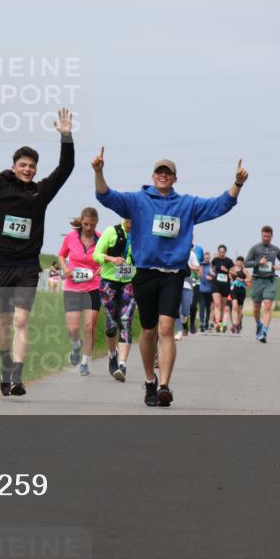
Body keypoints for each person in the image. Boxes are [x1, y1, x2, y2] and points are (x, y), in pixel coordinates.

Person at [94, 148, 247, 407]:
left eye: (168, 173)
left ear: (175, 178)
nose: (163, 176)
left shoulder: (186, 204)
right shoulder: (138, 201)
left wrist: (238, 184)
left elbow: (220, 205)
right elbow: (105, 196)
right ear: (153, 176)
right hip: (144, 273)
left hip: (173, 275)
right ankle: (149, 380)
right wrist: (98, 171)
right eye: (159, 172)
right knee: (148, 330)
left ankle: (164, 385)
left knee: (166, 328)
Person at [0, 97, 74, 396]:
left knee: (20, 319)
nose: (28, 170)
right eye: (23, 165)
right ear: (14, 167)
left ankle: (17, 377)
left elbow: (66, 168)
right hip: (1, 264)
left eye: (32, 166)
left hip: (28, 266)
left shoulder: (41, 193)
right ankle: (5, 369)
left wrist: (66, 136)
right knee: (4, 320)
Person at [58, 208, 102, 376]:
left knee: (90, 327)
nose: (88, 228)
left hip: (93, 287)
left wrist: (102, 268)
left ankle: (85, 362)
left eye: (92, 224)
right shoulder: (71, 237)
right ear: (81, 222)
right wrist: (65, 268)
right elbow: (61, 256)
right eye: (85, 224)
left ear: (96, 222)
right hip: (72, 287)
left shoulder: (101, 239)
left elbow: (107, 258)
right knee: (73, 329)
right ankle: (76, 345)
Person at [93, 218, 136, 381]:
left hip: (129, 282)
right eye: (130, 220)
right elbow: (96, 255)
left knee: (125, 321)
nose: (132, 223)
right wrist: (112, 259)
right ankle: (112, 357)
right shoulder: (111, 231)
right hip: (109, 282)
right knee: (111, 325)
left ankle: (122, 364)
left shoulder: (140, 234)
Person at [245, 225, 280, 343]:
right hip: (257, 280)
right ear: (261, 235)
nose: (266, 238)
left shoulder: (276, 249)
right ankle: (259, 324)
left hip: (270, 280)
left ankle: (264, 331)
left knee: (268, 305)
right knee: (256, 308)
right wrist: (258, 263)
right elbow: (246, 263)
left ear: (271, 236)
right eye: (264, 236)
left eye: (268, 236)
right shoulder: (255, 248)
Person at [178, 246, 201, 339]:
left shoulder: (191, 254)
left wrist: (189, 266)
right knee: (177, 308)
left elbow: (198, 267)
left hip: (188, 283)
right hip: (175, 283)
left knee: (187, 309)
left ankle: (187, 322)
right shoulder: (175, 251)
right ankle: (180, 330)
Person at [211, 245, 235, 333]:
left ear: (225, 252)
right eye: (220, 252)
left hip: (225, 285)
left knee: (222, 305)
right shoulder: (215, 260)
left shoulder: (229, 261)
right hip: (216, 284)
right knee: (217, 304)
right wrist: (213, 273)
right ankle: (218, 323)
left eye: (223, 252)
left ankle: (220, 321)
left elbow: (234, 272)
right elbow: (212, 268)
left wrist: (226, 270)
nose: (221, 254)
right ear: (218, 252)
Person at [230, 256, 249, 334]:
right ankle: (234, 324)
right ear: (236, 261)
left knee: (239, 309)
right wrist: (231, 279)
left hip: (241, 290)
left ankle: (239, 322)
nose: (240, 262)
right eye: (238, 260)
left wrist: (242, 280)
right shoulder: (232, 269)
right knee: (234, 306)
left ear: (243, 262)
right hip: (234, 289)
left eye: (241, 261)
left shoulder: (244, 270)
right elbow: (230, 277)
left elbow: (249, 279)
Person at [198, 251, 213, 333]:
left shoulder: (211, 265)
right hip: (202, 289)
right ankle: (201, 323)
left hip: (210, 290)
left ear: (209, 259)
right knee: (202, 307)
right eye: (205, 258)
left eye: (208, 258)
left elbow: (214, 274)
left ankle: (207, 322)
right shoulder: (201, 265)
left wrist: (211, 276)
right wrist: (202, 270)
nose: (206, 260)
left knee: (208, 308)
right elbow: (199, 275)